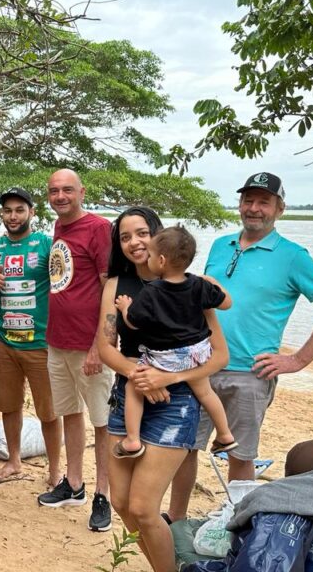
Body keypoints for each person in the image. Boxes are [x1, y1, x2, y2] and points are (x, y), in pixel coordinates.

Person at [167, 172, 313, 522]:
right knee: (184, 448)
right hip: (200, 366)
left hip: (250, 374)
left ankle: (238, 527)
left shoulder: (294, 256)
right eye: (248, 200)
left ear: (279, 209)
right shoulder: (221, 246)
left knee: (241, 454)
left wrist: (298, 359)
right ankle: (175, 520)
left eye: (263, 202)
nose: (254, 208)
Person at [97, 207, 232, 572]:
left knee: (144, 506)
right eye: (124, 237)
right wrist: (139, 374)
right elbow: (106, 347)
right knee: (122, 503)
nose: (134, 242)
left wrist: (165, 378)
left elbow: (219, 356)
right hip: (129, 398)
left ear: (158, 237)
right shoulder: (115, 287)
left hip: (177, 401)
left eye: (141, 233)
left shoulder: (192, 286)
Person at [112, 225, 236, 459]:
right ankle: (225, 435)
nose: (146, 259)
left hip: (165, 357)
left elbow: (134, 323)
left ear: (160, 260)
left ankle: (132, 440)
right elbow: (226, 304)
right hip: (197, 353)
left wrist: (125, 307)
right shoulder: (199, 285)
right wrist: (209, 281)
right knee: (206, 392)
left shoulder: (152, 292)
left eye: (149, 255)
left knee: (132, 388)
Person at [36, 168, 114, 533]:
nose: (61, 196)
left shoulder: (99, 228)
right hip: (57, 341)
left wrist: (102, 344)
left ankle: (103, 494)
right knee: (69, 413)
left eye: (67, 190)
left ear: (82, 191)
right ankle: (75, 483)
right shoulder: (59, 228)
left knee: (102, 422)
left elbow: (108, 288)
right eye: (54, 191)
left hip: (88, 346)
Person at [0, 187, 62, 486]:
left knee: (48, 412)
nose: (12, 216)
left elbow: (63, 285)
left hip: (40, 343)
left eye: (19, 210)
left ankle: (55, 470)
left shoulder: (47, 245)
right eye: (7, 211)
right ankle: (14, 461)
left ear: (32, 212)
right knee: (8, 405)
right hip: (4, 342)